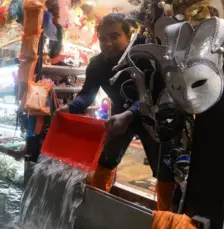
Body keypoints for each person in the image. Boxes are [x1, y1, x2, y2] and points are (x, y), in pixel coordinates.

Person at [57, 13, 174, 211]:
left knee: (165, 172)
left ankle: (166, 219)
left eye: (114, 36)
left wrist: (129, 115)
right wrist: (70, 107)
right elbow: (87, 95)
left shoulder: (145, 54)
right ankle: (98, 207)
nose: (107, 43)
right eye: (103, 38)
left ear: (128, 35)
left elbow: (155, 93)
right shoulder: (96, 65)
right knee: (105, 160)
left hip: (154, 121)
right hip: (119, 118)